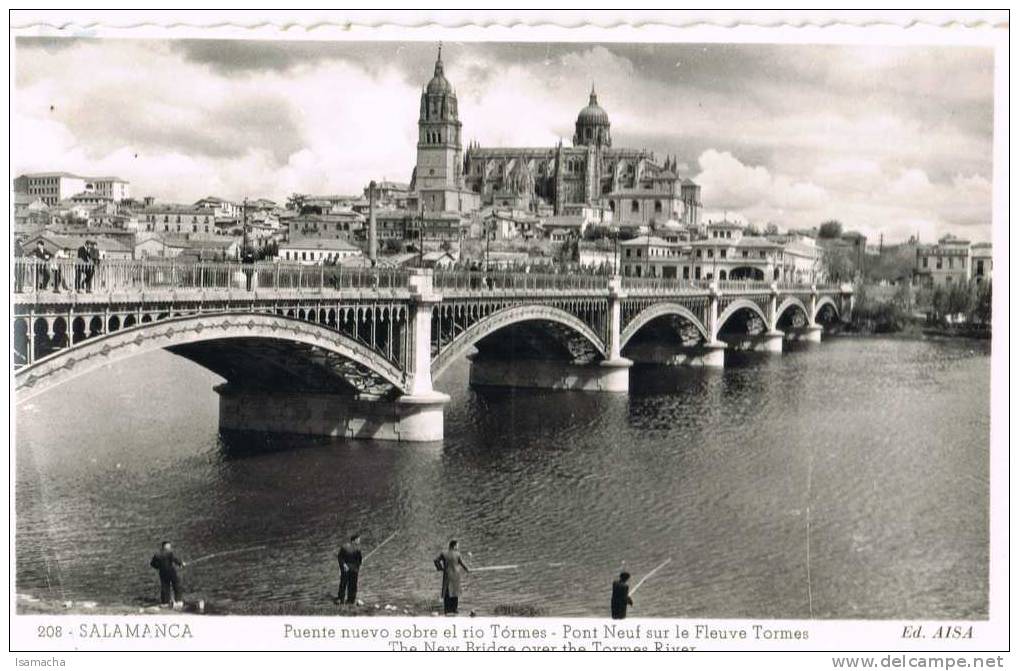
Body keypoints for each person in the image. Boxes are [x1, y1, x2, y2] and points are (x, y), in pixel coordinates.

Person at [433, 539, 470, 615]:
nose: (458, 547)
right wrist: (467, 569)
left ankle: (447, 610)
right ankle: (454, 609)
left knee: (447, 592)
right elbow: (462, 564)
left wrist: (440, 568)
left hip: (447, 575)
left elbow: (436, 560)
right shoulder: (457, 554)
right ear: (454, 546)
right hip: (456, 576)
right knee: (455, 592)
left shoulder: (444, 553)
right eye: (457, 545)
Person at [149, 540, 186, 607]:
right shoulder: (169, 552)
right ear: (165, 546)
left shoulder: (157, 554)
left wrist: (158, 567)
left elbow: (152, 564)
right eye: (169, 545)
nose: (170, 547)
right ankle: (178, 601)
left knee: (165, 587)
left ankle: (165, 603)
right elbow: (175, 559)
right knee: (176, 585)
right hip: (171, 571)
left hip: (162, 572)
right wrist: (181, 563)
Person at [335, 534, 363, 605]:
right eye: (358, 539)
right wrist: (358, 566)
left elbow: (340, 558)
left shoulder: (355, 549)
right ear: (354, 540)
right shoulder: (349, 548)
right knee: (348, 585)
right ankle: (348, 600)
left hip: (349, 569)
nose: (359, 541)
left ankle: (344, 600)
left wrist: (344, 565)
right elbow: (359, 560)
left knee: (347, 584)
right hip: (350, 570)